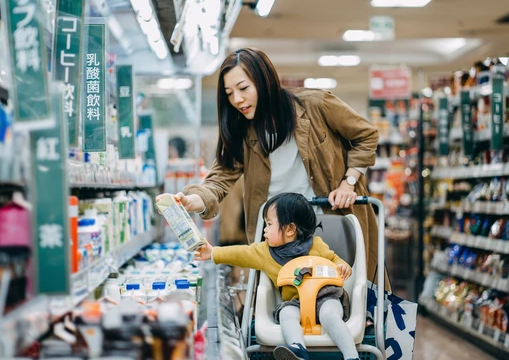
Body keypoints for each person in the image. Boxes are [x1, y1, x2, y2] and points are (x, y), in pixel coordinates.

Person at [162, 47, 383, 284]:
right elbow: (219, 179)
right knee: (284, 307)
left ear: (265, 81)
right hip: (278, 240)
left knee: (349, 298)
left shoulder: (316, 105)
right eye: (229, 93)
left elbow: (366, 136)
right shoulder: (241, 131)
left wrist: (348, 183)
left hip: (332, 226)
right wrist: (195, 200)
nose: (237, 100)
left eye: (244, 88)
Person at [194, 193, 363, 360]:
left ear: (290, 229)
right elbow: (241, 253)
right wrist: (213, 253)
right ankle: (298, 349)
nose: (264, 230)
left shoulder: (316, 245)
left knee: (329, 314)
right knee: (286, 314)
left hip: (326, 297)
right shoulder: (265, 252)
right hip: (296, 303)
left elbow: (334, 259)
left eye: (269, 224)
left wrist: (342, 266)